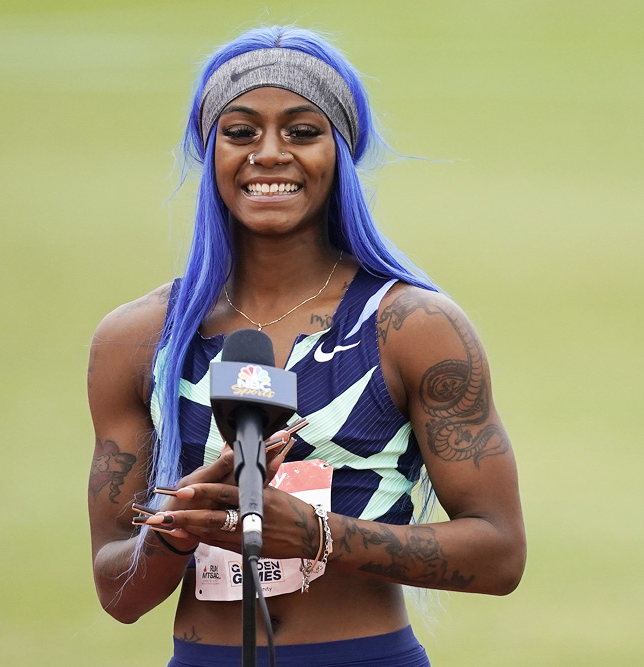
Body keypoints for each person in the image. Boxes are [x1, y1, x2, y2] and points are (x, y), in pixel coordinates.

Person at [87, 25, 526, 667]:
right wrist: (178, 530)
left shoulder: (413, 326)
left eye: (301, 130)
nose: (269, 154)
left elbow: (500, 553)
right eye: (239, 131)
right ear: (209, 151)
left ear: (340, 152)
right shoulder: (137, 337)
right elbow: (116, 591)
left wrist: (316, 535)